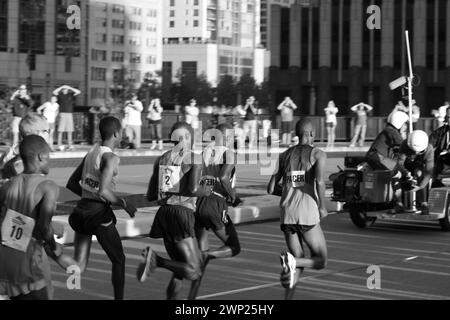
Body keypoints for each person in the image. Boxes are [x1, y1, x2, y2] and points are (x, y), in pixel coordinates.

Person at [136, 121, 211, 300]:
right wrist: (206, 191)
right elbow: (193, 189)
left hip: (164, 215)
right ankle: (156, 260)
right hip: (182, 214)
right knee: (194, 271)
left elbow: (150, 195)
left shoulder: (161, 159)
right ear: (187, 138)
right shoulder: (194, 158)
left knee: (178, 270)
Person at [65, 116, 137, 300]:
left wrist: (88, 194)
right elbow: (104, 191)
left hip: (81, 212)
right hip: (97, 215)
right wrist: (124, 203)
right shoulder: (111, 158)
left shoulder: (91, 152)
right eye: (121, 133)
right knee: (119, 259)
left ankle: (51, 250)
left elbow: (72, 183)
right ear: (116, 133)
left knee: (79, 265)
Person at [267, 118, 328, 300]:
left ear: (297, 134)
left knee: (296, 264)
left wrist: (289, 191)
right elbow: (319, 181)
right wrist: (322, 206)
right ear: (311, 134)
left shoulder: (283, 155)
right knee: (320, 260)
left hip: (287, 215)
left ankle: (289, 291)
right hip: (307, 214)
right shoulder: (318, 154)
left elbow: (270, 188)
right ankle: (293, 261)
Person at [0, 135, 65, 300]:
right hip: (28, 263)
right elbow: (44, 227)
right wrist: (53, 245)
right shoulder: (48, 187)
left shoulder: (7, 186)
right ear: (41, 156)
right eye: (49, 155)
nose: (50, 159)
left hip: (6, 262)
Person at [188, 123, 242, 299]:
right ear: (225, 137)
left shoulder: (204, 152)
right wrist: (233, 196)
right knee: (234, 247)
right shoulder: (229, 153)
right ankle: (207, 254)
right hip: (216, 203)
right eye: (231, 136)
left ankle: (192, 296)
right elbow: (223, 177)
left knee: (201, 261)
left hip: (199, 202)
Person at [395, 130, 433, 213]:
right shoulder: (404, 144)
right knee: (396, 174)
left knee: (419, 172)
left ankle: (424, 203)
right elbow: (399, 163)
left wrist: (420, 186)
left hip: (420, 167)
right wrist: (405, 173)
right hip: (407, 166)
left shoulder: (429, 149)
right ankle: (399, 203)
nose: (416, 152)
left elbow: (429, 171)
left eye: (420, 151)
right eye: (413, 150)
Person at [53, 85, 81, 151]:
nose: (65, 90)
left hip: (69, 114)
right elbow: (54, 92)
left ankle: (70, 146)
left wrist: (70, 87)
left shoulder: (70, 94)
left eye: (66, 89)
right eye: (64, 89)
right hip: (62, 113)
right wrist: (61, 87)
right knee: (60, 131)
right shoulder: (60, 95)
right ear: (62, 90)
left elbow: (78, 92)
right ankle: (59, 146)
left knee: (70, 131)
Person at [430, 106, 450, 187]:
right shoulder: (440, 131)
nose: (449, 119)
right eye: (448, 117)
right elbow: (429, 145)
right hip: (441, 166)